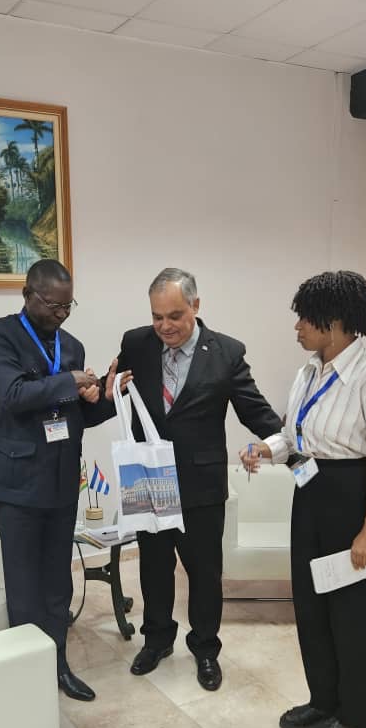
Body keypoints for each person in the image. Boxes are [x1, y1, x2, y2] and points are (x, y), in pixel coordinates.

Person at [241, 271, 366, 728]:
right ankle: (325, 700)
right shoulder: (308, 373)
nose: (297, 327)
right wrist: (267, 449)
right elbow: (296, 436)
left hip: (353, 500)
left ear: (333, 322)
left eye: (305, 319)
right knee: (313, 608)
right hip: (310, 495)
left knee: (354, 615)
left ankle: (356, 722)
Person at [115, 268, 282, 691]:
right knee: (154, 567)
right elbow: (115, 387)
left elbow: (255, 410)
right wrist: (97, 389)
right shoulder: (136, 343)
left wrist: (288, 444)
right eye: (157, 317)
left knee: (205, 573)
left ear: (196, 306)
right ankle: (157, 640)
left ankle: (205, 648)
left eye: (175, 316)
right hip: (148, 478)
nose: (165, 326)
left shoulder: (226, 352)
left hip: (201, 484)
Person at [0, 259, 126, 702]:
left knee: (59, 581)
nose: (61, 314)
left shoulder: (71, 345)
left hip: (61, 479)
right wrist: (69, 380)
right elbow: (13, 394)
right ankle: (27, 675)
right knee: (25, 585)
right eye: (53, 305)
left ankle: (58, 663)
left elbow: (75, 414)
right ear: (28, 295)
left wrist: (107, 396)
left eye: (67, 306)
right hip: (17, 482)